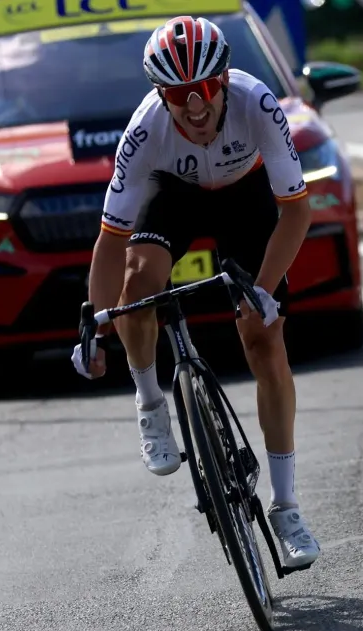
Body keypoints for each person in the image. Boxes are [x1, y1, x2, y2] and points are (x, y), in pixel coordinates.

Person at [71, 16, 320, 569]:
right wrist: (92, 320)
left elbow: (296, 210)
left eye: (206, 89)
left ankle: (286, 507)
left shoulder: (258, 104)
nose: (196, 105)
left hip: (246, 194)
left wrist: (263, 289)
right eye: (180, 95)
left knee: (263, 339)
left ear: (225, 79)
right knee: (138, 284)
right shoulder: (144, 132)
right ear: (162, 95)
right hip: (175, 194)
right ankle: (151, 402)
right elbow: (111, 241)